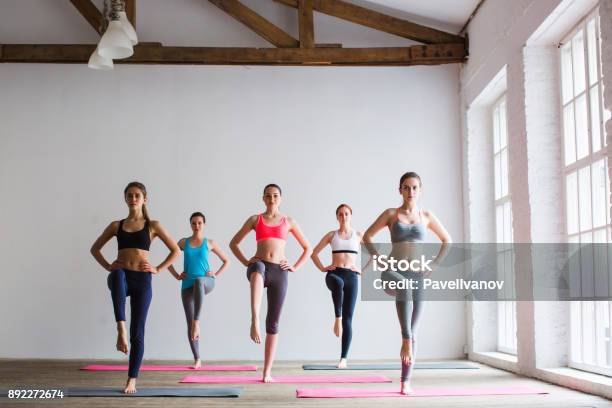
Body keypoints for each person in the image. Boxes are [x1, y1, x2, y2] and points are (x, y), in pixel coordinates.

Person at [364, 172, 451, 395]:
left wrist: (434, 265)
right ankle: (405, 338)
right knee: (404, 292)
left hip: (418, 276)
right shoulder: (391, 214)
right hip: (393, 272)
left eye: (414, 187)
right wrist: (378, 258)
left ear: (420, 190)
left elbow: (447, 240)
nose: (410, 191)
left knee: (414, 331)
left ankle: (405, 381)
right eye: (406, 187)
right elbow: (367, 236)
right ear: (399, 190)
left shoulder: (427, 216)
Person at [90, 181, 180, 394]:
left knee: (138, 333)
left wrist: (158, 268)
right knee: (117, 273)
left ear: (144, 199)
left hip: (142, 281)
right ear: (125, 198)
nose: (133, 199)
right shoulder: (116, 225)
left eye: (137, 195)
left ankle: (132, 379)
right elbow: (95, 249)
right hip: (120, 278)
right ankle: (120, 327)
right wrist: (107, 265)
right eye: (129, 195)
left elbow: (176, 250)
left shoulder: (153, 225)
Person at [230, 184, 311, 382]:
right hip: (259, 264)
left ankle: (267, 372)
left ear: (280, 198)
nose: (272, 199)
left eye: (275, 196)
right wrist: (245, 261)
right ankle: (254, 319)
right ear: (263, 199)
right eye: (268, 196)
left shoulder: (288, 221)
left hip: (279, 271)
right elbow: (234, 243)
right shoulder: (255, 219)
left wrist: (294, 266)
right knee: (257, 269)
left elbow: (308, 248)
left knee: (273, 323)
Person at [168, 211, 230, 369]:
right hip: (187, 285)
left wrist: (215, 273)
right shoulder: (183, 242)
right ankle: (197, 359)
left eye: (199, 223)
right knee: (189, 324)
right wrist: (176, 275)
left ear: (204, 225)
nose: (196, 226)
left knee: (199, 281)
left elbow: (226, 261)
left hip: (206, 282)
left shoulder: (209, 243)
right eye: (194, 223)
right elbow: (169, 259)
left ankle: (197, 321)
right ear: (190, 225)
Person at [311, 204, 363, 368]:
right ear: (337, 217)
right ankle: (337, 318)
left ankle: (343, 358)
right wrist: (322, 267)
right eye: (340, 214)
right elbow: (313, 253)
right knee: (338, 283)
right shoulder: (331, 235)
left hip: (352, 277)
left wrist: (362, 270)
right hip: (334, 275)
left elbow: (375, 254)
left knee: (349, 320)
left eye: (346, 213)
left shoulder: (359, 235)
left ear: (351, 215)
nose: (344, 216)